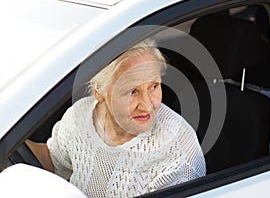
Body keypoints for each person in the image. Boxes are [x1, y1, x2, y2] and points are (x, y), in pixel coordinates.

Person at [26, 39, 206, 198]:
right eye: (132, 91)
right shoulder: (80, 115)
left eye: (154, 86)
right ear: (99, 92)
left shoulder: (178, 148)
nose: (147, 105)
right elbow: (53, 160)